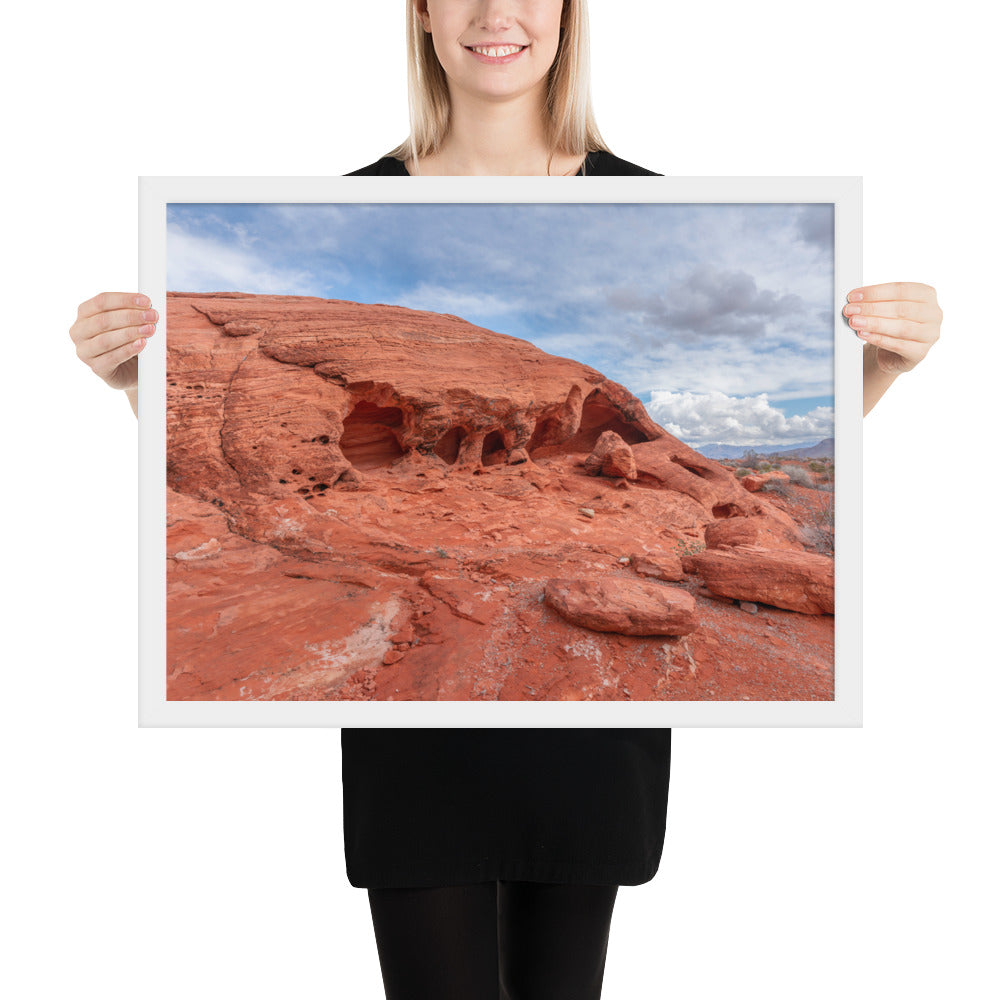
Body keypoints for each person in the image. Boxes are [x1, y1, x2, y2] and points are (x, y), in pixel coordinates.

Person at [68, 2, 942, 998]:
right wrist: (136, 387)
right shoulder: (341, 202)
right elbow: (226, 476)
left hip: (589, 759)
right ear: (423, 15)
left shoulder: (646, 199)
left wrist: (878, 370)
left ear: (569, 16)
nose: (496, 13)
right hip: (417, 759)